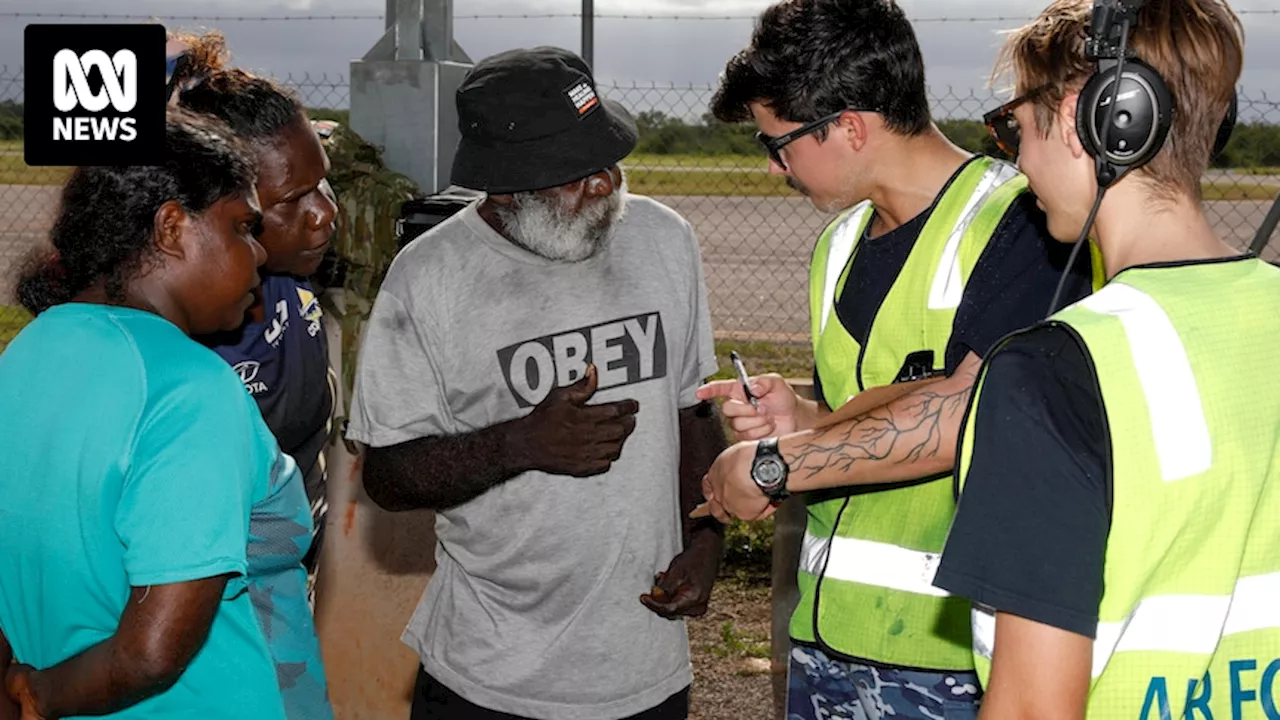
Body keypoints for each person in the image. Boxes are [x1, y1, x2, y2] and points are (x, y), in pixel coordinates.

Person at [693, 0, 1098, 717]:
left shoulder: (1023, 227)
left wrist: (773, 466)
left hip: (946, 668)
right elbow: (872, 405)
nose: (774, 167)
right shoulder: (838, 246)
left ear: (848, 126)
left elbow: (965, 414)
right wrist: (804, 416)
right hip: (824, 642)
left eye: (777, 142)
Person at [344, 46, 727, 720]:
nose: (607, 183)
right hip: (488, 677)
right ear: (505, 186)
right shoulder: (428, 279)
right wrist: (519, 443)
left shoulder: (665, 241)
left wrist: (705, 539)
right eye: (578, 173)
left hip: (645, 672)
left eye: (608, 159)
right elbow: (388, 476)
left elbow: (691, 410)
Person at [932, 1, 1279, 717]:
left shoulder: (1053, 372)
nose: (1016, 157)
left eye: (1012, 127)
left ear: (1085, 119)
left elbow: (1033, 708)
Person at [0, 109, 289, 719]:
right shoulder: (192, 389)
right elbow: (153, 652)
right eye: (242, 226)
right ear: (172, 228)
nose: (260, 253)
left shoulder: (26, 351)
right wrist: (40, 697)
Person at [162, 33, 337, 720]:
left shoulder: (291, 288)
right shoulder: (188, 348)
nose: (324, 212)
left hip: (280, 591)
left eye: (321, 180)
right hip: (207, 623)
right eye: (290, 199)